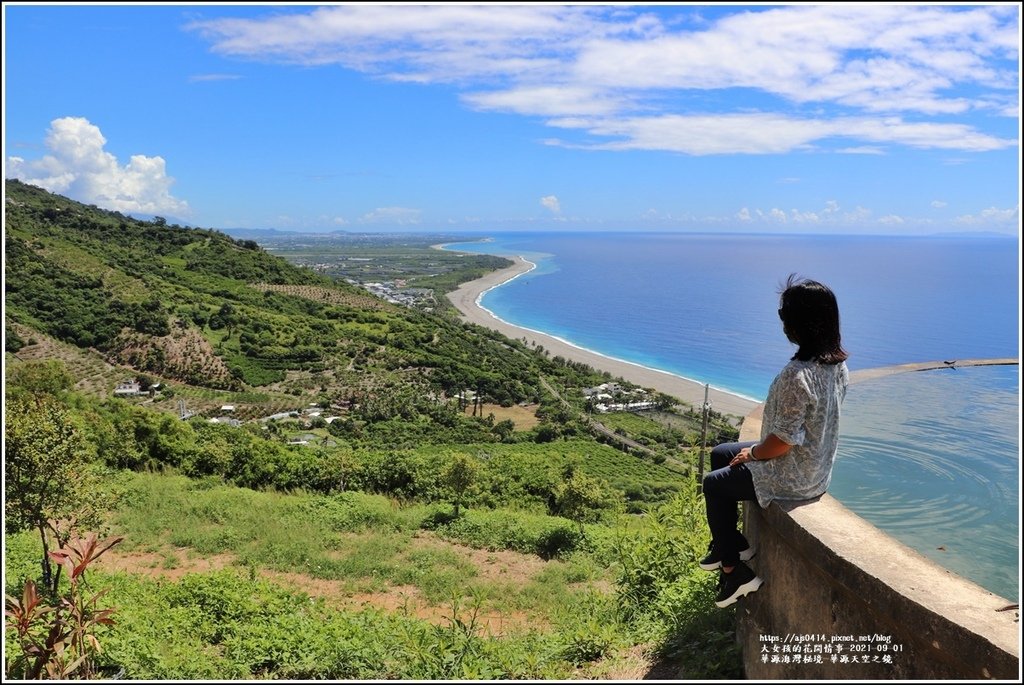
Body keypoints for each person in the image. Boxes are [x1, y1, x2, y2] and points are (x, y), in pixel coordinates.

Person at [701, 274, 849, 608]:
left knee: (714, 484)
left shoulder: (795, 376)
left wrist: (752, 454)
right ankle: (731, 543)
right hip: (816, 467)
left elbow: (781, 442)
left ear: (798, 325)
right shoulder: (836, 365)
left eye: (785, 316)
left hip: (793, 476)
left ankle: (733, 571)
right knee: (721, 452)